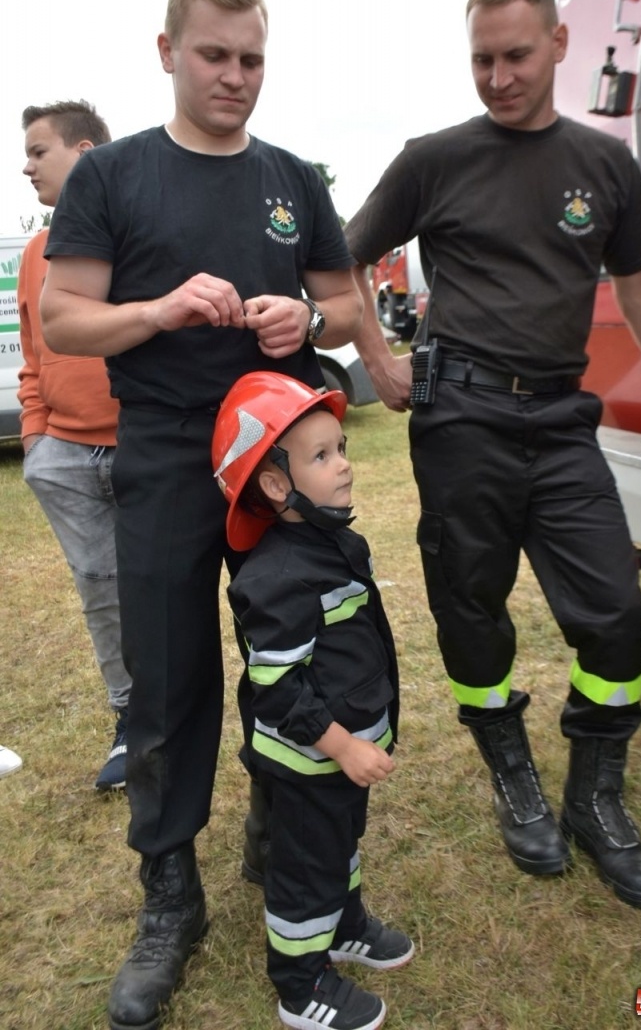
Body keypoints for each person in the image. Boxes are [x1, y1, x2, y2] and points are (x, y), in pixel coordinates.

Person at [345, 0, 641, 911]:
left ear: (558, 43)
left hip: (562, 422)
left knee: (613, 616)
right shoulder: (432, 158)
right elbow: (340, 257)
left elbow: (640, 286)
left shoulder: (603, 166)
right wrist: (376, 359)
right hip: (460, 416)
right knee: (472, 615)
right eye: (481, 58)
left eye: (516, 54)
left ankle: (595, 800)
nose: (498, 75)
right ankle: (512, 775)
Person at [40, 0, 362, 1030]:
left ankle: (290, 847)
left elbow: (349, 307)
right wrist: (163, 310)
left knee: (305, 655)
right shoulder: (115, 176)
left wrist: (305, 327)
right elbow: (63, 321)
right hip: (171, 452)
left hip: (279, 452)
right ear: (168, 51)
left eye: (253, 58)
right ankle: (168, 894)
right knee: (169, 681)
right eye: (216, 55)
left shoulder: (291, 176)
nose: (236, 76)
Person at [213, 371, 413, 1030]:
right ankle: (301, 984)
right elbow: (278, 692)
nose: (345, 467)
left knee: (340, 845)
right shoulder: (274, 579)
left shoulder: (334, 544)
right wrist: (343, 745)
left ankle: (345, 924)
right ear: (274, 484)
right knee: (303, 870)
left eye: (342, 448)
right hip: (309, 763)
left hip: (343, 754)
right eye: (322, 456)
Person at [19, 100, 131, 792]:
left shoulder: (135, 231)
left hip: (140, 449)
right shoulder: (36, 252)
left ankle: (180, 721)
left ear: (84, 151)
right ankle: (129, 721)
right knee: (100, 591)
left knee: (162, 591)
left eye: (38, 151)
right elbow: (35, 354)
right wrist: (36, 440)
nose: (25, 166)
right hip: (62, 453)